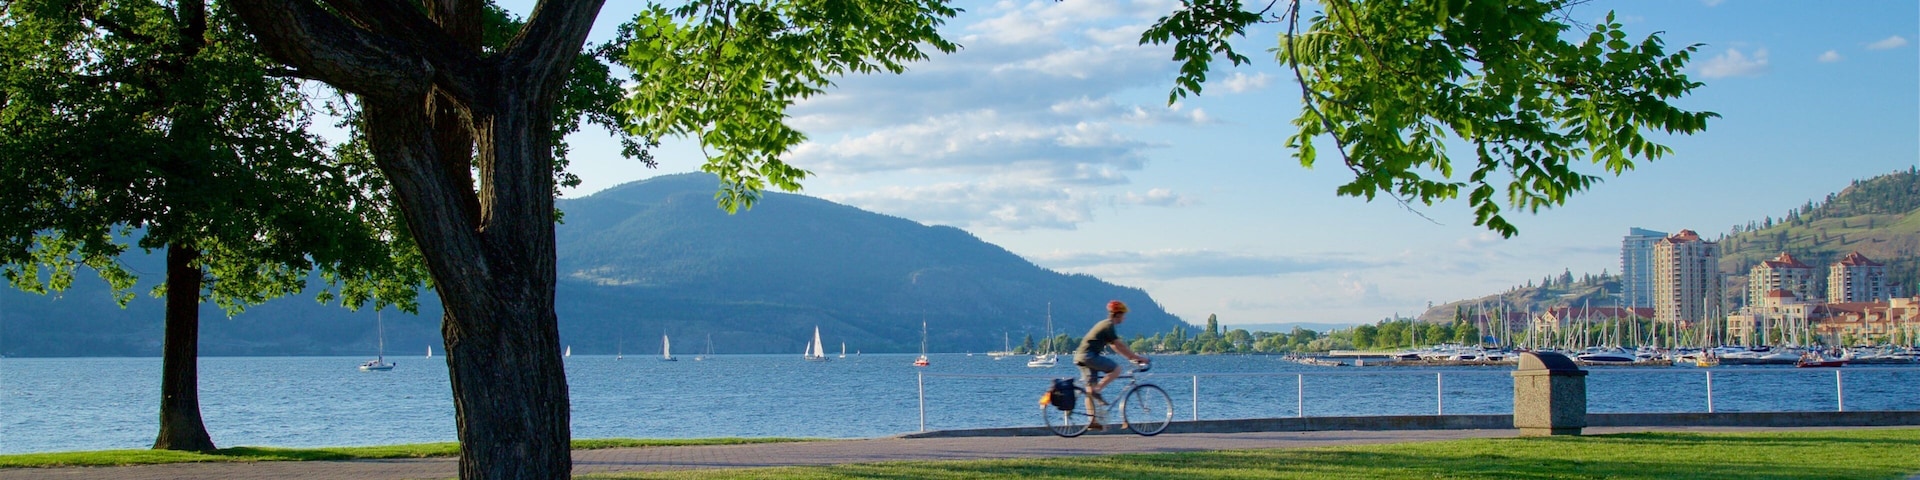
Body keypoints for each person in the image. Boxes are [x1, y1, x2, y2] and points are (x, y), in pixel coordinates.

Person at [1073, 300, 1149, 430]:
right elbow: (1119, 344)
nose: (1124, 318)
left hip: (1080, 357)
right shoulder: (1108, 326)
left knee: (1089, 389)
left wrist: (1130, 358)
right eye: (1123, 315)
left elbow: (1115, 346)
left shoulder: (1104, 324)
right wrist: (1137, 357)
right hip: (1089, 356)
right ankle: (1098, 390)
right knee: (1117, 369)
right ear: (1117, 314)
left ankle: (1092, 420)